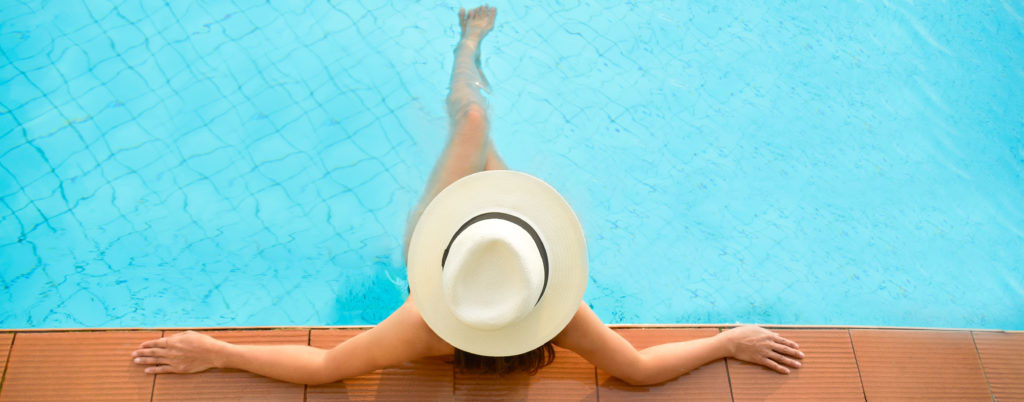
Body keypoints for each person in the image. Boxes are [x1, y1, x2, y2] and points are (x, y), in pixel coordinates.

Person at [130, 5, 804, 386]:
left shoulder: (425, 317)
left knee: (474, 123)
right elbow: (637, 369)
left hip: (444, 243)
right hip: (491, 246)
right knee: (482, 132)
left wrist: (219, 350)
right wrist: (727, 340)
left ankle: (468, 41)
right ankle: (472, 47)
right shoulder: (561, 315)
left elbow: (328, 368)